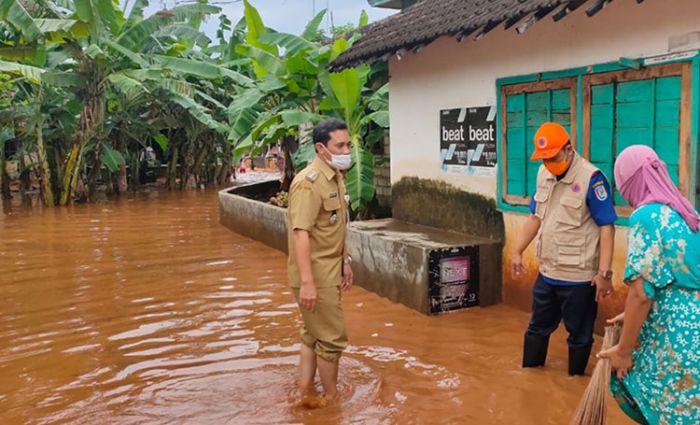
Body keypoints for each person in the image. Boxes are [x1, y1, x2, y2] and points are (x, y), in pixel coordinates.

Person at [597, 145, 700, 424]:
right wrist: (629, 316)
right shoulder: (685, 212)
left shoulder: (645, 216)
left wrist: (623, 350)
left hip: (677, 339)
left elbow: (642, 294)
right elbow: (678, 282)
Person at [511, 122, 616, 376]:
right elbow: (535, 217)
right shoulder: (542, 174)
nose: (549, 164)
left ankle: (574, 381)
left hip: (579, 278)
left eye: (553, 158)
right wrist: (516, 251)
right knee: (536, 327)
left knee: (579, 336)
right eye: (544, 159)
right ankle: (531, 378)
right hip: (548, 273)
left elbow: (607, 228)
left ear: (569, 149)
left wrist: (604, 274)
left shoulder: (592, 178)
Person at [287, 118, 354, 405]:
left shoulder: (335, 176)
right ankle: (331, 400)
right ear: (320, 148)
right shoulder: (308, 183)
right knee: (332, 339)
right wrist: (307, 283)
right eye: (339, 145)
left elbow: (335, 227)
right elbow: (300, 233)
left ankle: (305, 391)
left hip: (329, 269)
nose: (346, 150)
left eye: (348, 144)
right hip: (316, 276)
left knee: (312, 333)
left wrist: (345, 261)